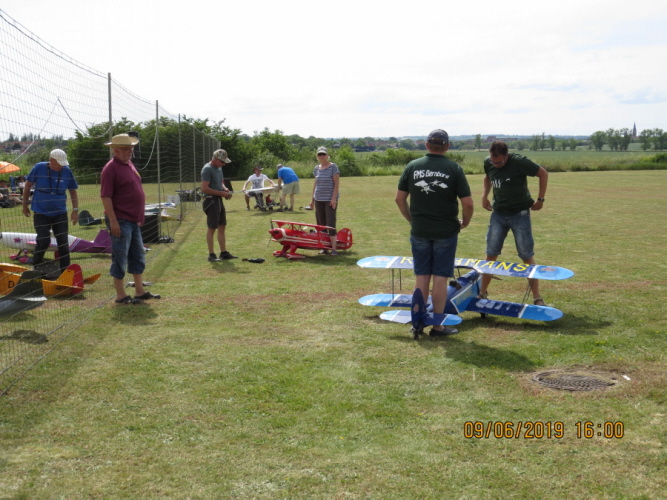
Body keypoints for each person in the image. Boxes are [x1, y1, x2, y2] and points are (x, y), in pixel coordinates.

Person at [396, 129, 473, 336]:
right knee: (440, 277)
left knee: (421, 277)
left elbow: (399, 199)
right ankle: (438, 326)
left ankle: (418, 322)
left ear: (427, 145)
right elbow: (468, 203)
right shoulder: (454, 168)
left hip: (420, 229)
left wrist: (411, 220)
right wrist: (464, 223)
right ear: (447, 146)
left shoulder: (412, 166)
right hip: (446, 231)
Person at [479, 140, 549, 305]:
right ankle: (482, 293)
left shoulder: (519, 161)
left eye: (499, 162)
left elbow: (543, 173)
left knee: (526, 255)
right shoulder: (488, 162)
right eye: (493, 161)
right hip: (498, 214)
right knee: (491, 253)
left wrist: (540, 199)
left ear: (506, 156)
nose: (495, 165)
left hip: (520, 214)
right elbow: (487, 177)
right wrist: (484, 196)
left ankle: (537, 298)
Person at [101, 134, 160, 305]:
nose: (130, 152)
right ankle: (120, 296)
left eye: (131, 148)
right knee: (120, 256)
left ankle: (139, 291)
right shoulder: (110, 169)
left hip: (132, 220)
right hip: (120, 220)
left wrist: (139, 214)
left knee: (137, 254)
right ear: (116, 150)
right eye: (126, 149)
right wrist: (113, 221)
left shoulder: (128, 164)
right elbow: (105, 196)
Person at [22, 149, 79, 274]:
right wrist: (24, 205)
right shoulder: (39, 168)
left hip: (60, 213)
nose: (61, 166)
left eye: (63, 163)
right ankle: (36, 269)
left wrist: (75, 210)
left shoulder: (66, 171)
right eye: (59, 163)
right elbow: (27, 186)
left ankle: (66, 273)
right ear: (51, 160)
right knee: (43, 241)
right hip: (41, 212)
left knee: (63, 243)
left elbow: (73, 191)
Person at [201, 149, 236, 262]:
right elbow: (204, 188)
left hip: (218, 200)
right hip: (211, 201)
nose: (224, 164)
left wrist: (225, 189)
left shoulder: (219, 168)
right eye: (222, 161)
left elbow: (220, 182)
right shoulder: (207, 169)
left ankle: (223, 253)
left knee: (222, 226)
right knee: (212, 228)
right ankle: (211, 255)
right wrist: (220, 193)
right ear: (215, 159)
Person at [308, 147, 340, 255]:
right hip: (318, 199)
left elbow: (336, 183)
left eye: (323, 154)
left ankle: (334, 249)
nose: (322, 156)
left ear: (327, 155)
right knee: (320, 224)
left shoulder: (333, 167)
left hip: (329, 200)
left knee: (330, 223)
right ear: (317, 156)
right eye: (319, 154)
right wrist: (312, 200)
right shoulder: (316, 168)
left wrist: (333, 198)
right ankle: (324, 247)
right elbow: (315, 184)